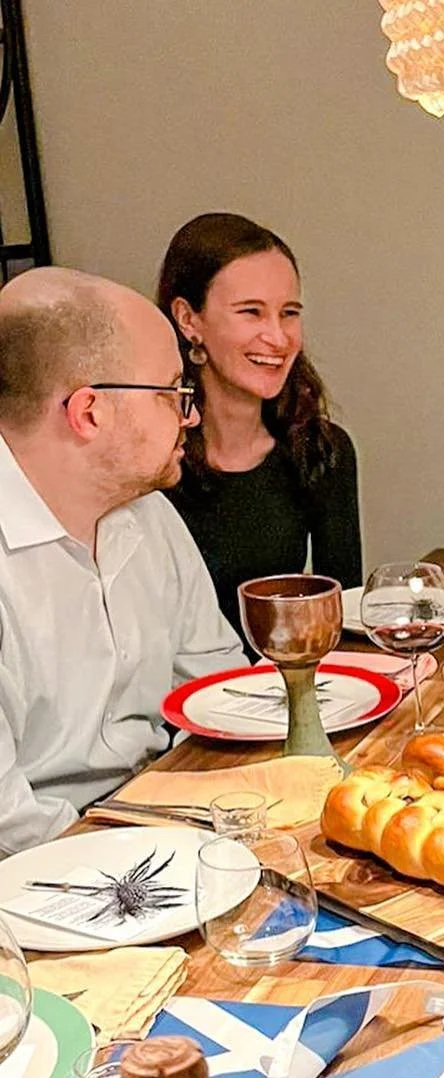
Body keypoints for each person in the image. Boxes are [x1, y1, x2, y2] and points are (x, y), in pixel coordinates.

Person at [0, 268, 243, 854]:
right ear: (89, 411)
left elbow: (221, 693)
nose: (190, 416)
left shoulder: (150, 515)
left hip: (160, 819)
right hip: (42, 875)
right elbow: (9, 824)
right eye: (173, 392)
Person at [159, 212, 362, 643]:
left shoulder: (321, 449)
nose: (278, 337)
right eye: (251, 312)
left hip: (283, 680)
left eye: (289, 313)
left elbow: (342, 616)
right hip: (174, 686)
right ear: (188, 319)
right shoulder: (149, 462)